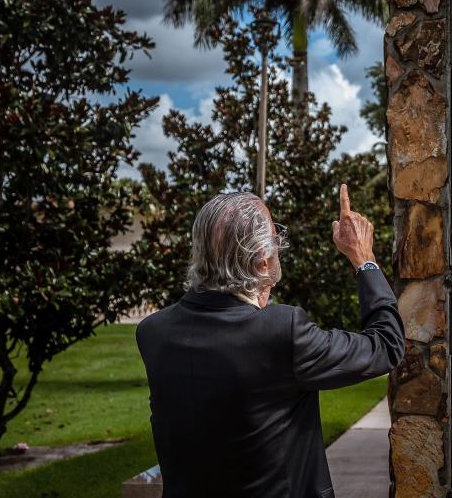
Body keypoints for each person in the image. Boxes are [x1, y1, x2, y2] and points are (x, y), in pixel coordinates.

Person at [135, 184, 405, 498]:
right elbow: (387, 346)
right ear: (263, 261)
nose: (278, 243)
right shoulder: (282, 332)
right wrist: (364, 259)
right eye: (274, 235)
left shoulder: (154, 332)